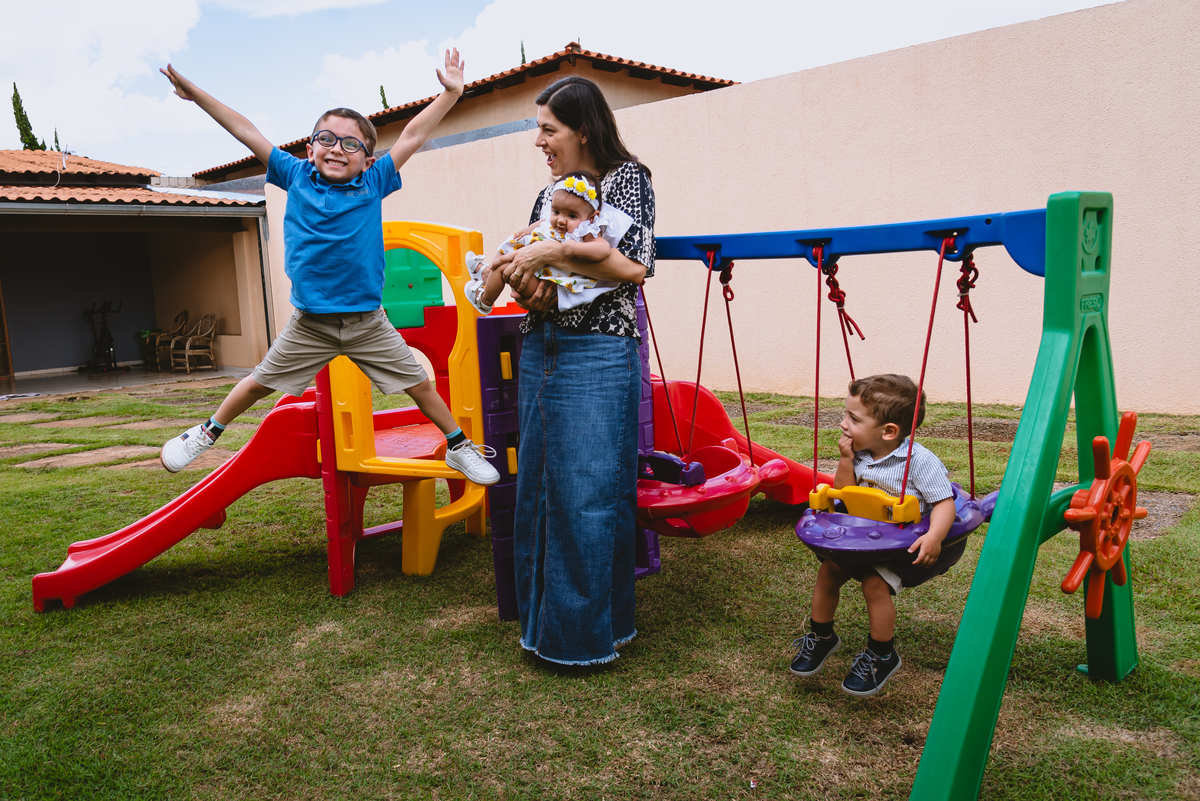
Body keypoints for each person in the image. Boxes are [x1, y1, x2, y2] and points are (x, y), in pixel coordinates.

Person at [156, 52, 499, 487]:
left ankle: (458, 446)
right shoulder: (294, 174)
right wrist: (196, 96)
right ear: (309, 146)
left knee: (420, 385)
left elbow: (412, 135)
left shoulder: (373, 182)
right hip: (310, 325)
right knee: (259, 382)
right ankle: (207, 433)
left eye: (351, 143)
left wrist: (450, 94)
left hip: (367, 323)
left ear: (368, 158)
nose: (337, 148)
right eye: (327, 138)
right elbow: (246, 130)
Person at [490, 76, 655, 666]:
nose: (539, 140)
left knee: (590, 492)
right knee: (539, 486)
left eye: (548, 129)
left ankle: (585, 637)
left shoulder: (626, 179)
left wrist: (547, 254)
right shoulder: (550, 193)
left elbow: (634, 265)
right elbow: (537, 262)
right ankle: (544, 629)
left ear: (582, 129)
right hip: (542, 345)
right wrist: (524, 280)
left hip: (598, 351)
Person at [790, 374, 956, 697]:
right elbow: (843, 493)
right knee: (827, 572)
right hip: (859, 541)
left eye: (853, 418)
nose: (843, 424)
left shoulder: (919, 462)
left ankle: (882, 655)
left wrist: (935, 536)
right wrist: (845, 460)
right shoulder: (861, 452)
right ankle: (822, 637)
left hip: (895, 548)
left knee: (874, 585)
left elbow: (944, 503)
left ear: (889, 432)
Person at [463, 171, 632, 314]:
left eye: (572, 216)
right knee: (514, 240)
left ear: (591, 217)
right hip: (536, 270)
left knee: (503, 268)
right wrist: (528, 230)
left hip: (545, 285)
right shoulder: (553, 221)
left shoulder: (585, 232)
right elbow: (543, 222)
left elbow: (603, 249)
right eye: (556, 211)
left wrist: (576, 248)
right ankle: (487, 273)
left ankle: (484, 300)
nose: (561, 220)